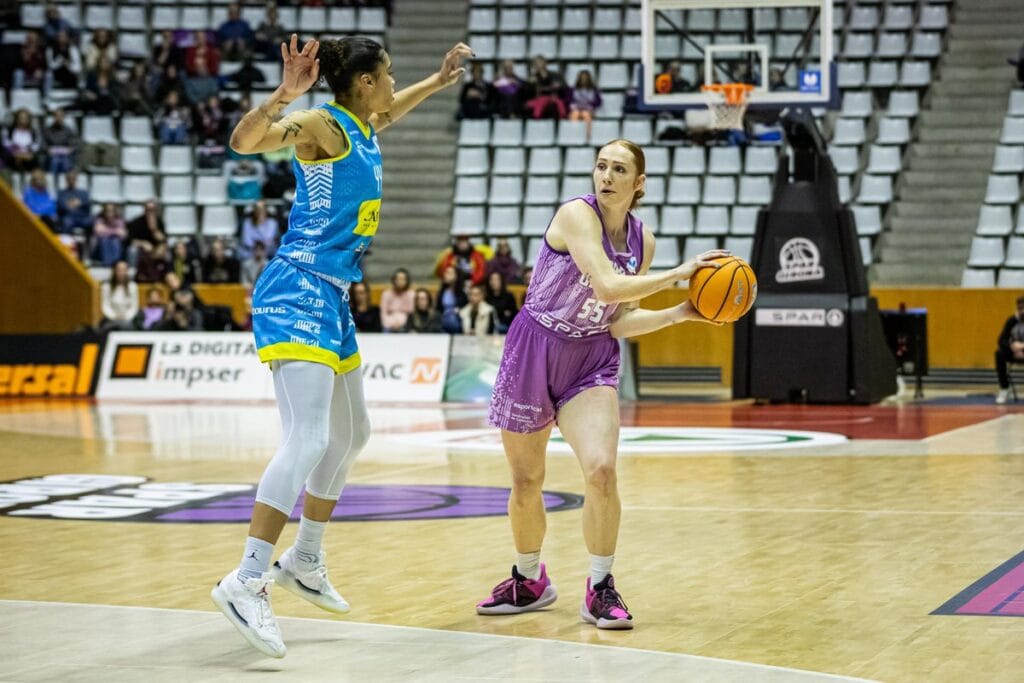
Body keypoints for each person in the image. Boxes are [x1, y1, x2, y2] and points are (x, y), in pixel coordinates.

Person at [210, 33, 472, 659]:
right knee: (309, 438)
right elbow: (243, 142)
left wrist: (437, 82)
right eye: (385, 74)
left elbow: (389, 111)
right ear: (361, 81)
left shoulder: (362, 122)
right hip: (296, 286)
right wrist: (283, 96)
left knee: (353, 433)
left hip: (331, 294)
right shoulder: (322, 123)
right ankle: (246, 579)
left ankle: (304, 559)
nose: (389, 84)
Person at [476, 139, 727, 630]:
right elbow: (607, 286)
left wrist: (683, 312)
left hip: (591, 356)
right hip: (533, 347)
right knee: (527, 480)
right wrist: (681, 275)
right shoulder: (576, 215)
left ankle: (600, 585)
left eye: (619, 169)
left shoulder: (643, 241)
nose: (605, 176)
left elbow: (618, 320)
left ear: (639, 184)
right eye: (601, 166)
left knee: (602, 470)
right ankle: (529, 580)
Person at [996, 295, 1024, 404]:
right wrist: (1012, 348)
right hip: (1015, 353)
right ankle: (1004, 388)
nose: (1022, 311)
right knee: (999, 353)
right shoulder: (1011, 321)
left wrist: (1021, 347)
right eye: (1020, 309)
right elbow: (1001, 340)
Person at [99, 260, 139, 332]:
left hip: (127, 319)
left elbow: (134, 307)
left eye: (124, 270)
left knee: (128, 326)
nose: (121, 273)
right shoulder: (106, 286)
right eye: (119, 270)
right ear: (114, 271)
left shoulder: (132, 286)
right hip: (111, 319)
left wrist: (126, 317)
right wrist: (114, 317)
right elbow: (105, 306)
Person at [126, 200, 167, 265]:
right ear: (144, 209)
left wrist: (154, 230)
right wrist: (143, 244)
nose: (150, 212)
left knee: (166, 252)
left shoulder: (159, 222)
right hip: (141, 248)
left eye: (152, 209)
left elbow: (163, 240)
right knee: (132, 250)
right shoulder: (137, 222)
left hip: (155, 248)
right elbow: (130, 240)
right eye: (148, 209)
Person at [56, 168, 91, 236]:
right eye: (69, 178)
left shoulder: (83, 193)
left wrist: (79, 203)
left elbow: (88, 204)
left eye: (73, 178)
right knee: (66, 222)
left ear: (76, 179)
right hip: (68, 217)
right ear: (66, 180)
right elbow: (60, 206)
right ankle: (67, 243)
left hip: (81, 217)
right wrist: (69, 205)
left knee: (90, 221)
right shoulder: (62, 193)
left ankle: (88, 243)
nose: (71, 180)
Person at [568, 70, 602, 138]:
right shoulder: (573, 89)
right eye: (582, 78)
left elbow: (599, 101)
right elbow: (568, 100)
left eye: (585, 78)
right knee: (575, 114)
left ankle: (587, 135)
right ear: (579, 79)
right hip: (576, 109)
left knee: (585, 114)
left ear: (588, 79)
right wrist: (573, 105)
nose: (584, 80)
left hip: (588, 110)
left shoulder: (593, 90)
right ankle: (574, 134)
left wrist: (592, 105)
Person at [380, 268, 414, 332]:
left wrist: (402, 324)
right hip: (388, 326)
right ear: (394, 280)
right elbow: (383, 314)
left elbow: (412, 315)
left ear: (407, 281)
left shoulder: (411, 294)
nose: (400, 282)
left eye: (403, 279)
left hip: (406, 326)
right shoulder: (386, 294)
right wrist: (390, 324)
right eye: (398, 279)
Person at [436, 264, 468, 333]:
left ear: (457, 276)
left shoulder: (462, 294)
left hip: (457, 321)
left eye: (450, 273)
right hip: (443, 320)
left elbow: (465, 308)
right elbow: (438, 309)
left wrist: (458, 311)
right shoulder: (442, 292)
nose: (446, 275)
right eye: (446, 273)